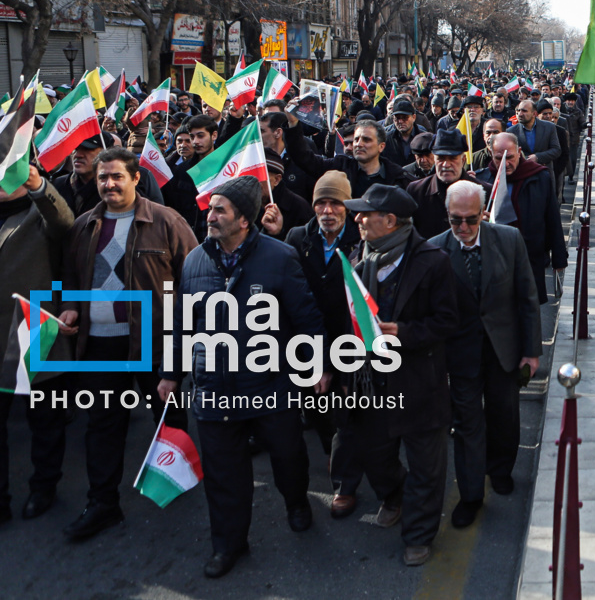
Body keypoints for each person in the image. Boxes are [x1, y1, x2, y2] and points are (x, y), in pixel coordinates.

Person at [158, 176, 327, 579]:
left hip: (269, 384)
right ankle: (228, 544)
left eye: (220, 210)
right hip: (214, 388)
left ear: (244, 220)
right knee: (223, 474)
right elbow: (181, 324)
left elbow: (305, 316)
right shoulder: (195, 260)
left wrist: (318, 362)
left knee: (288, 454)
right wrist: (170, 374)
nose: (210, 217)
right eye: (210, 209)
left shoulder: (280, 257)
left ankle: (297, 502)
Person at [59, 148, 197, 540]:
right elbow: (70, 277)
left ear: (136, 178)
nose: (109, 184)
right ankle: (103, 503)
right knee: (102, 425)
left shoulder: (167, 221)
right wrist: (70, 308)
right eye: (103, 178)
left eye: (117, 176)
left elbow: (192, 282)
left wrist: (183, 345)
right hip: (100, 346)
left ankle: (177, 474)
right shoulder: (83, 226)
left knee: (167, 415)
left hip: (153, 344)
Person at [340, 184, 463, 567]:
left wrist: (404, 333)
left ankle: (418, 534)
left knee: (427, 464)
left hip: (418, 381)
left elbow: (448, 321)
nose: (357, 219)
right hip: (372, 380)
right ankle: (394, 496)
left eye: (365, 214)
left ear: (390, 221)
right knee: (375, 455)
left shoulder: (433, 261)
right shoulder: (361, 257)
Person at [428, 181, 540, 528]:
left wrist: (531, 351)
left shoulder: (509, 240)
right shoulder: (435, 250)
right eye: (455, 220)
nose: (462, 228)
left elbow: (527, 297)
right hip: (460, 356)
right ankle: (472, 494)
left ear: (484, 214)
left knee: (504, 415)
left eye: (470, 220)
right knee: (466, 425)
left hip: (503, 350)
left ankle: (501, 469)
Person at [0, 163, 74, 525]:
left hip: (34, 330)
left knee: (44, 422)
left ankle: (44, 486)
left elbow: (63, 222)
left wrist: (38, 186)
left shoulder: (39, 215)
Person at [284, 171, 363, 509]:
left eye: (335, 203)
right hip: (307, 344)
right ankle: (333, 451)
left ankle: (344, 484)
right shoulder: (297, 238)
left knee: (348, 414)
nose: (327, 211)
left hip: (348, 343)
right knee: (316, 408)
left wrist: (334, 364)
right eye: (321, 203)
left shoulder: (361, 240)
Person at [476, 133, 566, 304]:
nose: (505, 163)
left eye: (509, 157)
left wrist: (558, 258)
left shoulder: (540, 177)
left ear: (519, 152)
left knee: (528, 312)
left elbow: (552, 217)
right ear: (490, 153)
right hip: (493, 260)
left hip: (529, 256)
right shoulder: (483, 180)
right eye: (498, 158)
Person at [285, 113, 410, 198]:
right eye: (356, 139)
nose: (359, 144)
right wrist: (293, 123)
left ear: (381, 146)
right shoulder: (340, 166)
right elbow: (304, 159)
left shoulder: (398, 177)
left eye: (366, 140)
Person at [258, 149, 313, 239]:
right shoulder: (244, 207)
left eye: (260, 175)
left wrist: (277, 233)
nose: (253, 180)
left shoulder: (298, 208)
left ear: (276, 180)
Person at [507, 99, 561, 169]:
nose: (520, 114)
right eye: (519, 110)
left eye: (524, 111)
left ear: (534, 114)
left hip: (544, 173)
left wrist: (537, 157)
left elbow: (556, 150)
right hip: (522, 173)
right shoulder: (511, 131)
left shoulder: (549, 127)